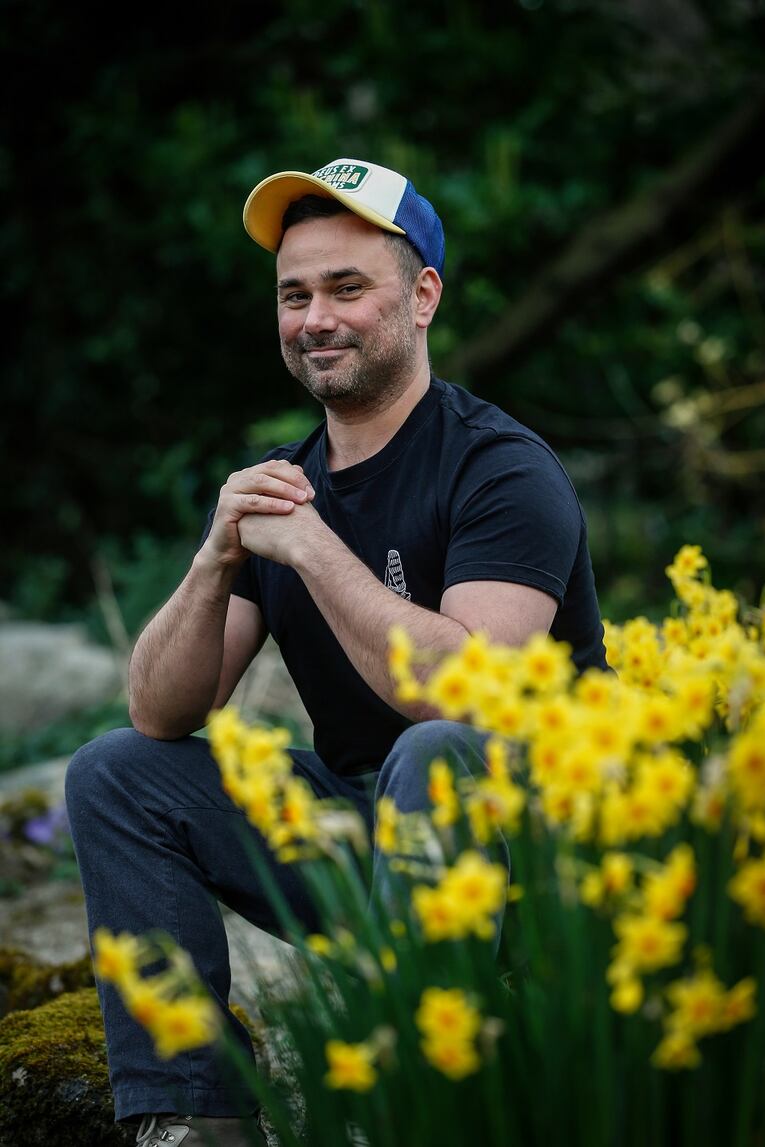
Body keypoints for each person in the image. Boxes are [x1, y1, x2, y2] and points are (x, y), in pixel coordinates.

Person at [65, 157, 608, 1146]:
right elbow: (160, 712)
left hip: (534, 854)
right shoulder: (283, 484)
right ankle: (193, 1118)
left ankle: (405, 1105)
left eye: (346, 288)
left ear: (423, 297)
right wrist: (214, 559)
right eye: (294, 294)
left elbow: (466, 696)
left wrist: (314, 548)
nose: (315, 318)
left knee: (435, 752)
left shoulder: (499, 467)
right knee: (115, 770)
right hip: (361, 837)